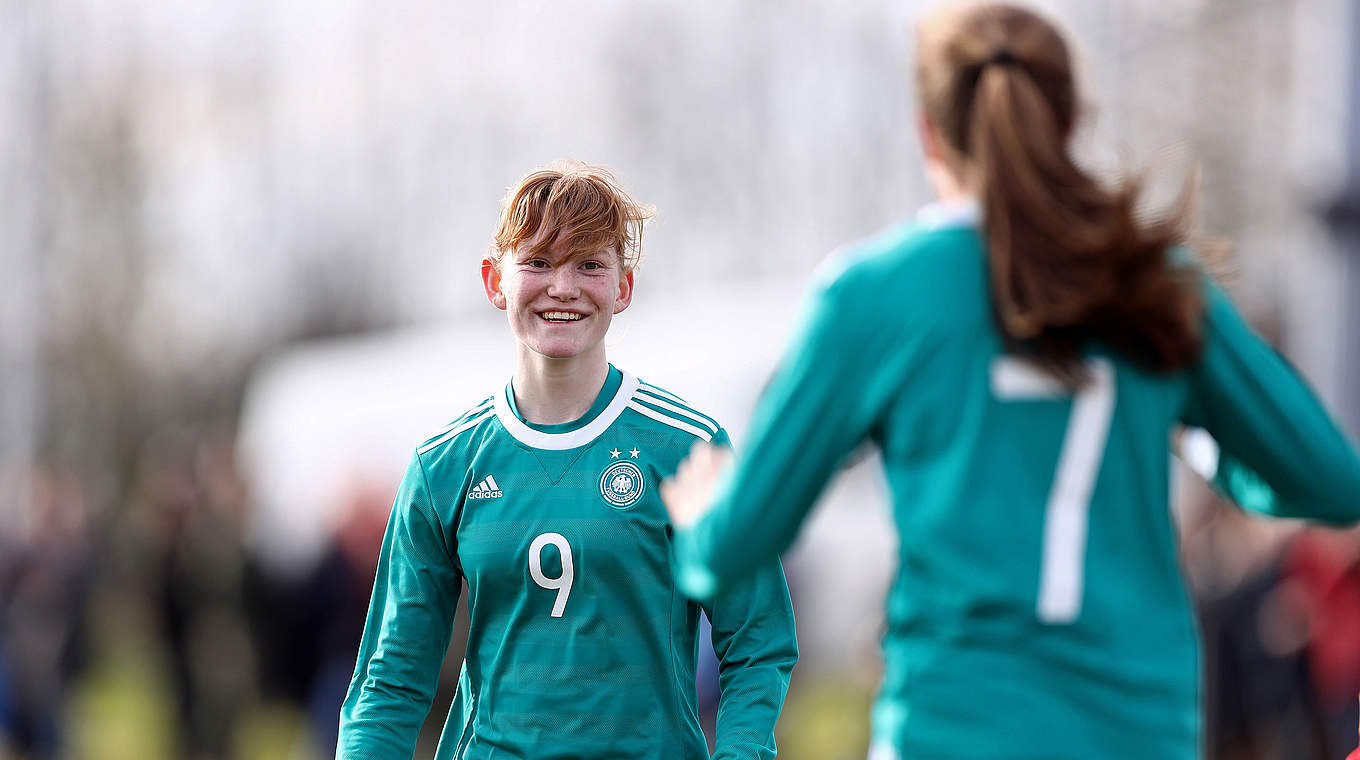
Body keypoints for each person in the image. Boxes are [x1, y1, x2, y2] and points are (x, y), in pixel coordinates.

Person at [660, 4, 1360, 759]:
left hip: (954, 730)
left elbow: (739, 543)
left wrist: (702, 520)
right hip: (1138, 733)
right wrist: (1190, 426)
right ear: (1067, 125)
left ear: (929, 132)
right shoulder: (1155, 283)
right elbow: (1329, 482)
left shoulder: (878, 294)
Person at [337, 161, 797, 759]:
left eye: (589, 264)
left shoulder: (688, 448)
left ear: (623, 286)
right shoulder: (444, 466)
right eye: (537, 262)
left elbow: (757, 639)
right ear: (494, 280)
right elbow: (391, 677)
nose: (563, 286)